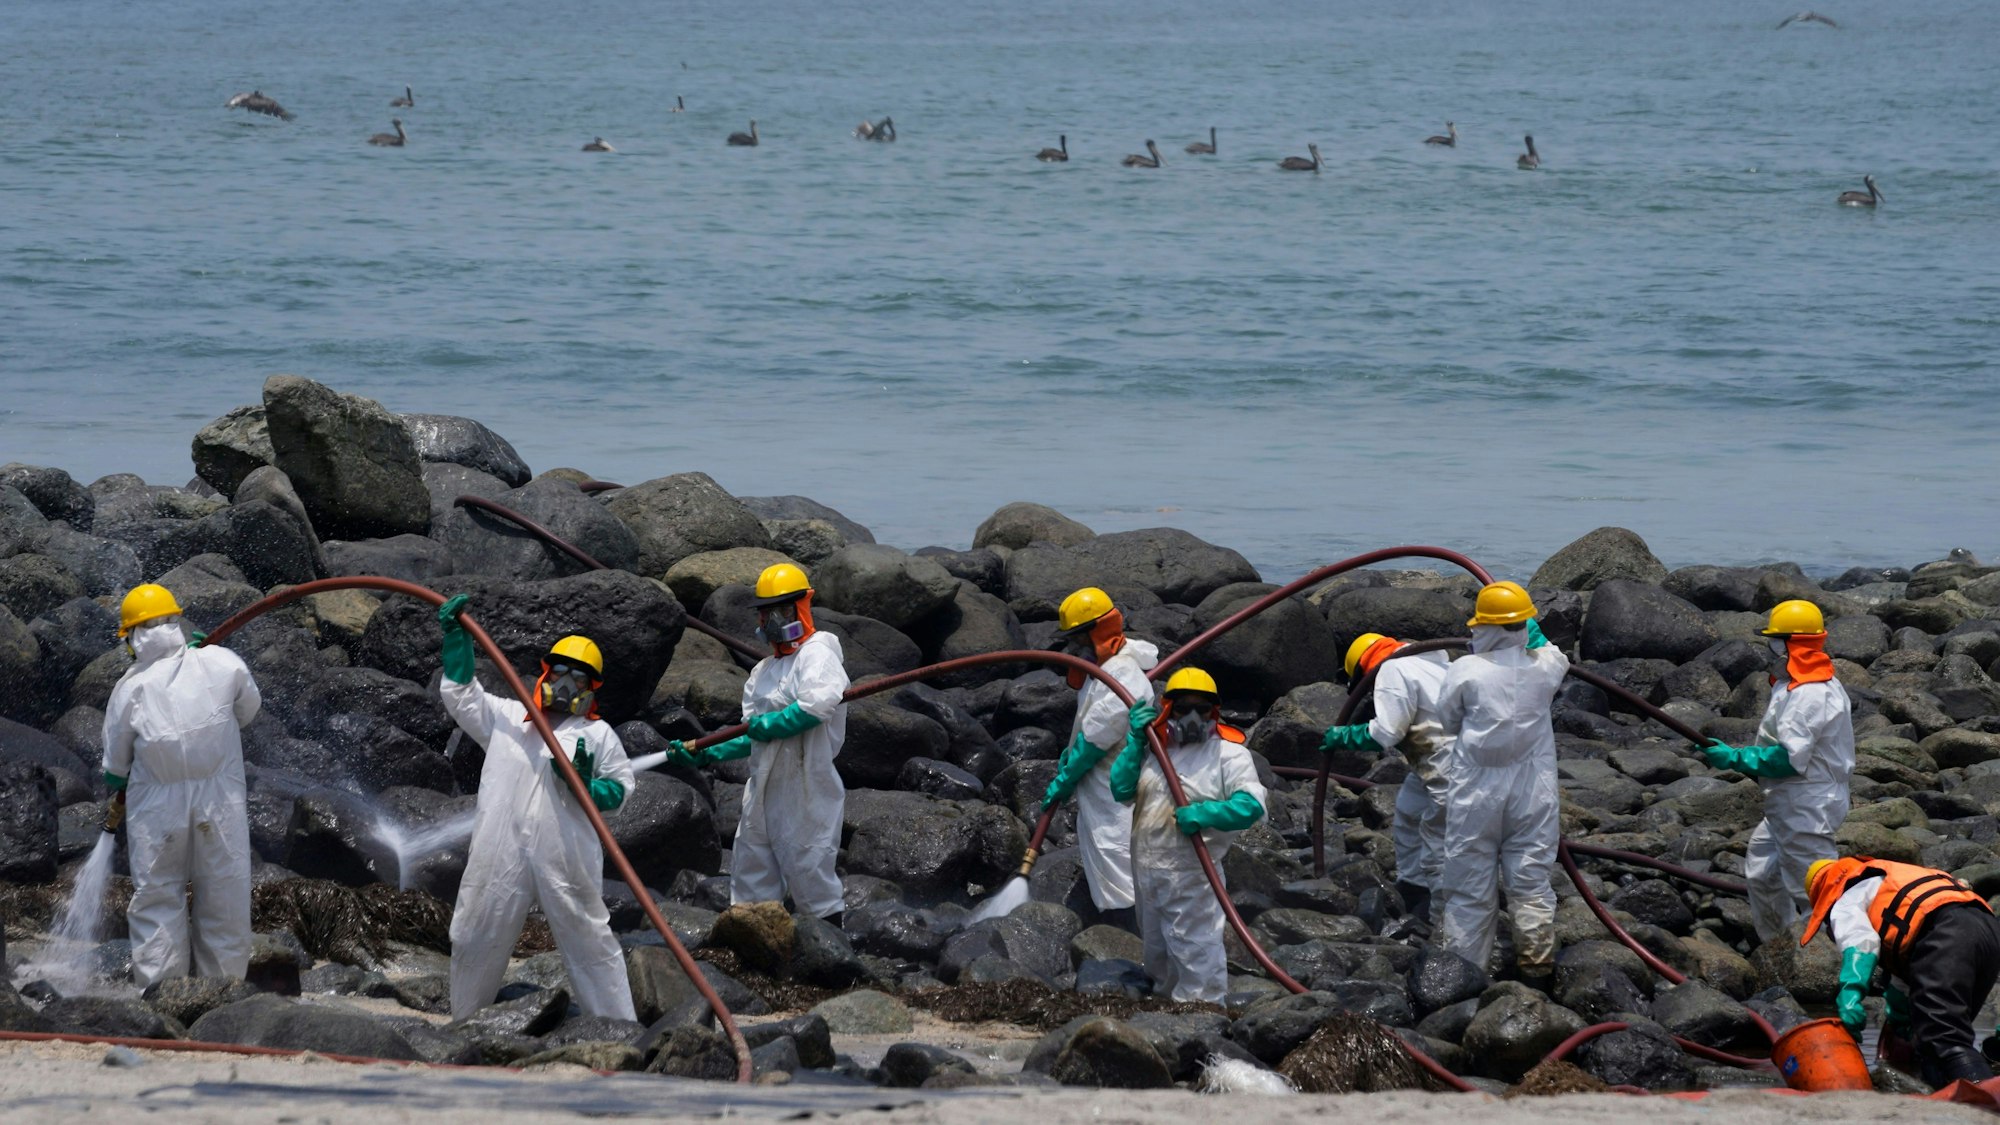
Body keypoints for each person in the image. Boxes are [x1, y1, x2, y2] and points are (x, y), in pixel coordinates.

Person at [436, 596, 636, 1021]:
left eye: (578, 678)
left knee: (587, 937)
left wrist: (586, 783)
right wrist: (457, 641)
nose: (566, 683)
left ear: (591, 689)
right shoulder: (508, 717)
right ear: (545, 672)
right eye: (560, 672)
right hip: (499, 847)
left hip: (564, 852)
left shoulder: (597, 735)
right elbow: (462, 697)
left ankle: (618, 1027)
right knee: (475, 931)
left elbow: (620, 791)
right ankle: (464, 1021)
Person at [670, 563, 849, 923]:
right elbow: (750, 733)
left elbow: (818, 705)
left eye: (783, 611)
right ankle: (755, 942)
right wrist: (706, 750)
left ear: (802, 606)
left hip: (806, 783)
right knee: (752, 863)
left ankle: (831, 949)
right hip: (763, 785)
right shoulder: (763, 672)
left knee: (808, 866)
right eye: (768, 613)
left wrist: (774, 725)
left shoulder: (818, 654)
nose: (774, 621)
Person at [101, 583, 260, 989]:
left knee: (157, 895)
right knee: (224, 891)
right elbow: (248, 709)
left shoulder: (130, 688)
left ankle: (162, 993)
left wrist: (123, 780)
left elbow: (115, 766)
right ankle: (222, 992)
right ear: (176, 620)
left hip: (156, 806)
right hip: (219, 797)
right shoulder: (221, 663)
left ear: (134, 636)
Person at [1434, 581, 1569, 977]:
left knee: (1469, 883)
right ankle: (1537, 965)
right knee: (1530, 877)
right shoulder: (1545, 669)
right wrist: (1536, 634)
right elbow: (1554, 653)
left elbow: (1447, 720)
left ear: (1486, 627)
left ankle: (1463, 973)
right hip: (1534, 788)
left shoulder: (1466, 670)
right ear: (1523, 626)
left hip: (1476, 790)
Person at [1107, 666, 1265, 1002]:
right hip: (1147, 869)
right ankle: (1166, 1010)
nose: (1192, 717)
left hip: (1193, 873)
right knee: (1157, 950)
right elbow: (1121, 789)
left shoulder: (1229, 755)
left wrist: (1205, 813)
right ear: (1168, 709)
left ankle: (1203, 1013)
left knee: (1195, 948)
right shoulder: (1155, 752)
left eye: (1201, 709)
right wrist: (1135, 742)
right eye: (1182, 709)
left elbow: (1251, 806)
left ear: (1214, 712)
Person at [1704, 599, 1854, 942]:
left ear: (1791, 643)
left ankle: (1836, 962)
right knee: (1764, 874)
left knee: (1814, 890)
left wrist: (1735, 759)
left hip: (1806, 803)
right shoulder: (1793, 683)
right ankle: (1780, 948)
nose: (1770, 648)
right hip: (1789, 799)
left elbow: (1788, 758)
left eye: (1775, 640)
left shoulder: (1811, 694)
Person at [1801, 856, 2000, 1087]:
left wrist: (1850, 998)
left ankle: (1986, 1098)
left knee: (1944, 1038)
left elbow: (1862, 944)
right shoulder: (1889, 880)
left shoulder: (1845, 897)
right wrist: (1901, 1019)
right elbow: (1905, 976)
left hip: (1948, 935)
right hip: (1987, 929)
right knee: (1932, 1041)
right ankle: (1945, 1095)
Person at [1041, 586, 1158, 925]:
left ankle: (1131, 937)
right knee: (1107, 856)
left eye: (1078, 640)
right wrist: (1069, 757)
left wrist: (1067, 776)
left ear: (1099, 633)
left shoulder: (1124, 675)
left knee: (1117, 855)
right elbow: (1086, 728)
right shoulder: (1102, 671)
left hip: (1115, 790)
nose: (1072, 649)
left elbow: (1097, 736)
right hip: (1099, 786)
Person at [1320, 631, 1455, 923]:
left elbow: (1386, 732)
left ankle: (1444, 921)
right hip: (1442, 763)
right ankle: (1414, 883)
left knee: (1439, 845)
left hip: (1448, 769)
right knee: (1408, 808)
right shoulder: (1434, 662)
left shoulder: (1392, 669)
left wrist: (1345, 736)